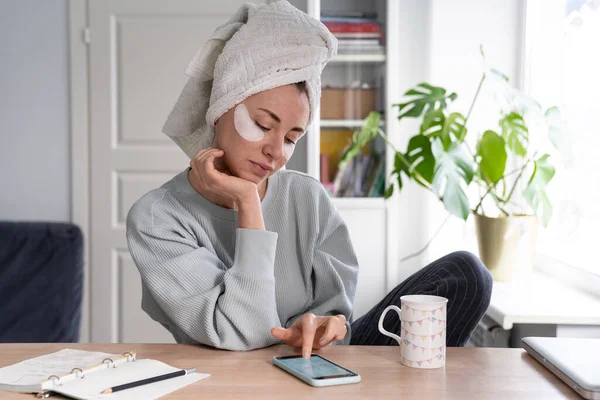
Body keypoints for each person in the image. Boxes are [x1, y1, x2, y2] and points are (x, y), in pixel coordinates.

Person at [126, 0, 493, 359]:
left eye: (290, 138)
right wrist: (248, 205)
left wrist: (325, 326)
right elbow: (241, 333)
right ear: (219, 109)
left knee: (467, 273)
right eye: (262, 125)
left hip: (316, 367)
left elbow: (337, 315)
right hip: (234, 377)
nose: (276, 152)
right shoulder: (158, 217)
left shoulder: (306, 197)